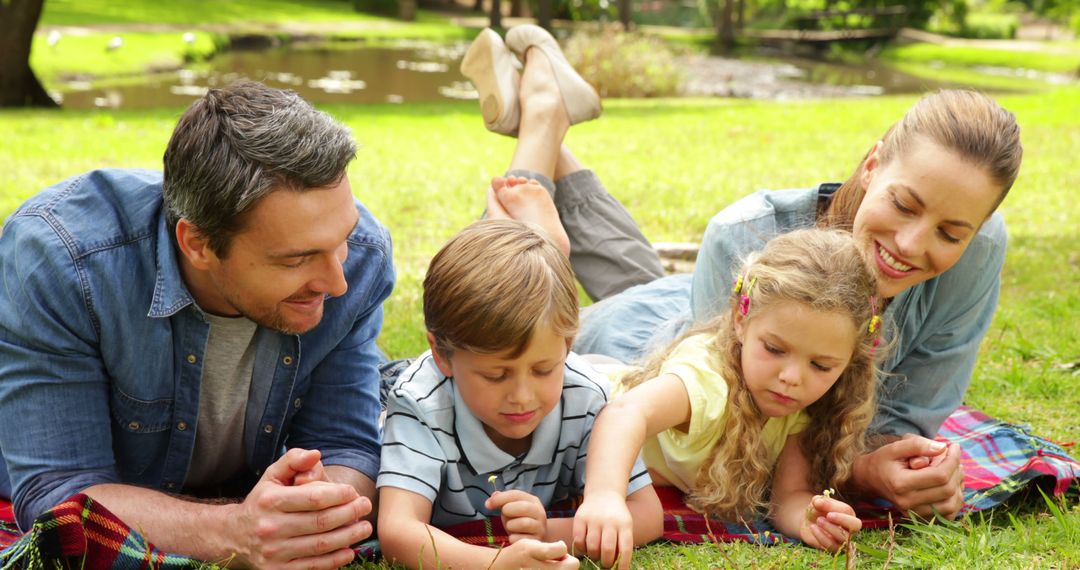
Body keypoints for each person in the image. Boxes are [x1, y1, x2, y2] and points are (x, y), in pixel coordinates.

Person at [463, 24, 1023, 522]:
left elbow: (913, 414)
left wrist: (896, 461)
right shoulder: (746, 235)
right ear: (872, 164)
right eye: (903, 204)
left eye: (951, 233)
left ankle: (552, 123)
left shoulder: (979, 248)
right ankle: (542, 120)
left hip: (682, 300)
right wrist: (860, 471)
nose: (911, 243)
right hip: (643, 341)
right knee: (513, 297)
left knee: (644, 280)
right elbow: (733, 432)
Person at [0, 80, 394, 569]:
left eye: (342, 239)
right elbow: (60, 495)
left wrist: (313, 510)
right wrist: (238, 531)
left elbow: (348, 445)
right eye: (297, 259)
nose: (337, 282)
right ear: (198, 244)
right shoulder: (63, 262)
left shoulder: (361, 259)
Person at [574, 228, 882, 566]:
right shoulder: (708, 382)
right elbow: (624, 414)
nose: (791, 378)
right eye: (774, 349)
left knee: (640, 521)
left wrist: (812, 518)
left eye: (821, 365)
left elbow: (788, 497)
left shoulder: (807, 408)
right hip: (570, 416)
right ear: (740, 319)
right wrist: (605, 496)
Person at [377, 218, 662, 570]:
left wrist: (548, 532)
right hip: (383, 386)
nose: (522, 396)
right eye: (496, 375)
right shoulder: (419, 404)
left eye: (544, 370)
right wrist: (498, 563)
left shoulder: (586, 395)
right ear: (443, 356)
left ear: (568, 346)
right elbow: (396, 530)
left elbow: (647, 515)